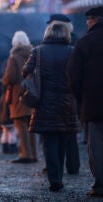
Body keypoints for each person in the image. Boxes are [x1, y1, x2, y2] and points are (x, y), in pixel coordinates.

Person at [23, 23, 81, 192]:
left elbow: (25, 71)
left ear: (48, 33)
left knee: (49, 142)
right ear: (65, 34)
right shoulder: (72, 51)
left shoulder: (38, 51)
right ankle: (59, 177)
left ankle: (54, 178)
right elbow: (77, 75)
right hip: (66, 102)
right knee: (62, 140)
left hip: (45, 102)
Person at [67, 6, 103, 197]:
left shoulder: (85, 42)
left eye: (88, 20)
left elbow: (73, 76)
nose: (87, 23)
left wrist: (81, 98)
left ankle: (100, 185)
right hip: (92, 102)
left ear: (94, 20)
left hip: (94, 104)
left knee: (96, 147)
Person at [43, 13, 80, 175]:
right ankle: (71, 166)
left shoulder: (42, 49)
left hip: (50, 99)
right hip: (69, 97)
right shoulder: (73, 45)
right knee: (68, 133)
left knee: (52, 136)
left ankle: (56, 169)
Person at [2, 31, 37, 163]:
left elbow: (10, 77)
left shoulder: (14, 57)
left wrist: (4, 80)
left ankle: (25, 154)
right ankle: (33, 154)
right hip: (32, 93)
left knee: (20, 125)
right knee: (31, 126)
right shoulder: (34, 54)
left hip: (18, 94)